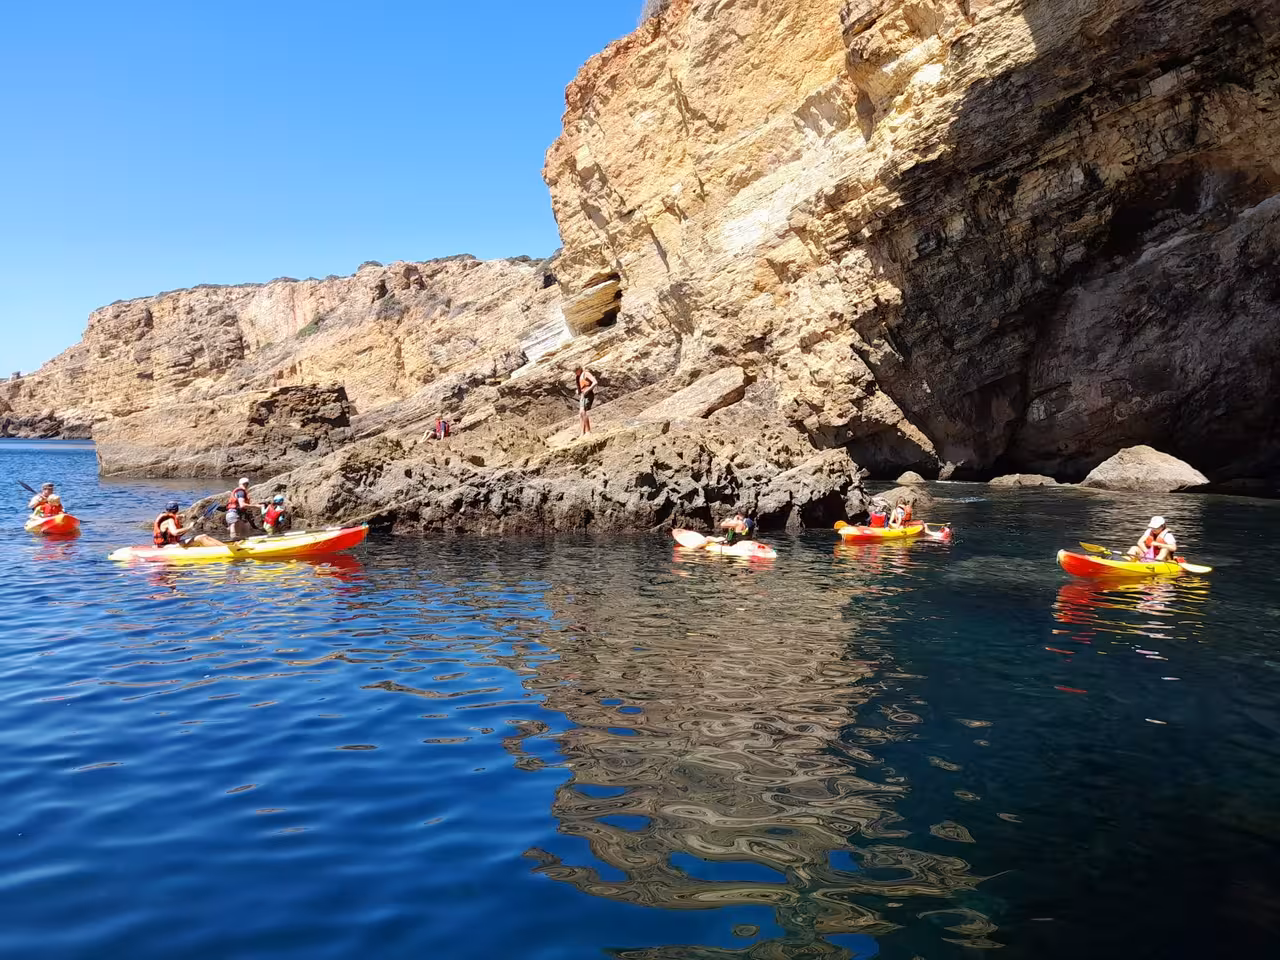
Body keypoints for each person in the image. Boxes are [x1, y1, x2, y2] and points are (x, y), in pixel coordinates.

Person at [153, 501, 221, 549]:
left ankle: (225, 547)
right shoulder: (169, 520)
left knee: (204, 536)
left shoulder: (167, 518)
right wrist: (189, 527)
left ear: (167, 509)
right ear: (177, 509)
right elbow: (175, 532)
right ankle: (222, 550)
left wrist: (188, 527)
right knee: (201, 538)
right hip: (166, 547)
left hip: (171, 544)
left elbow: (176, 534)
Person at [574, 366, 597, 436]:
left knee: (583, 412)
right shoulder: (578, 377)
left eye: (576, 371)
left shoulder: (586, 374)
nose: (575, 373)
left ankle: (588, 431)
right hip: (582, 395)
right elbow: (580, 388)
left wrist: (588, 389)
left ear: (579, 369)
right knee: (580, 413)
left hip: (588, 394)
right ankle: (582, 433)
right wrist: (578, 391)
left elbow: (595, 382)